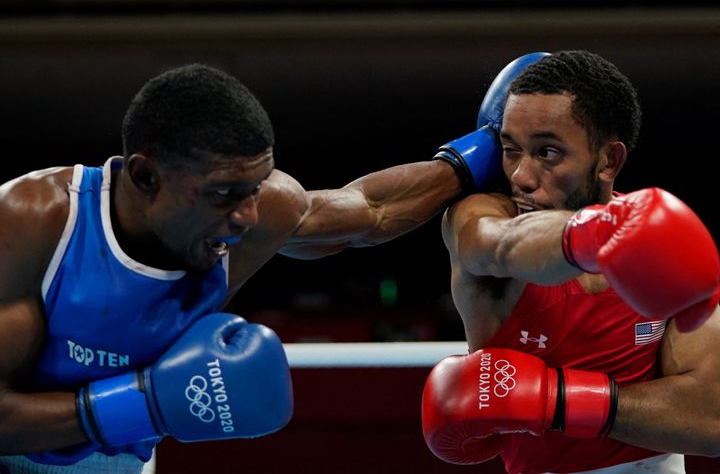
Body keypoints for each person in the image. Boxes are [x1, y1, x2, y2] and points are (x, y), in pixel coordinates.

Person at [0, 63, 500, 473]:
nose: (247, 216)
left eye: (256, 187)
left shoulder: (261, 212)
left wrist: (485, 153)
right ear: (146, 175)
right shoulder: (34, 223)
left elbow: (370, 212)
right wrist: (144, 404)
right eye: (223, 194)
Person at [421, 50, 720, 474]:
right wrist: (595, 235)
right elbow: (497, 244)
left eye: (547, 152)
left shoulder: (656, 244)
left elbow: (710, 419)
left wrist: (555, 399)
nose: (521, 176)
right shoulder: (477, 219)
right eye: (510, 149)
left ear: (609, 161)